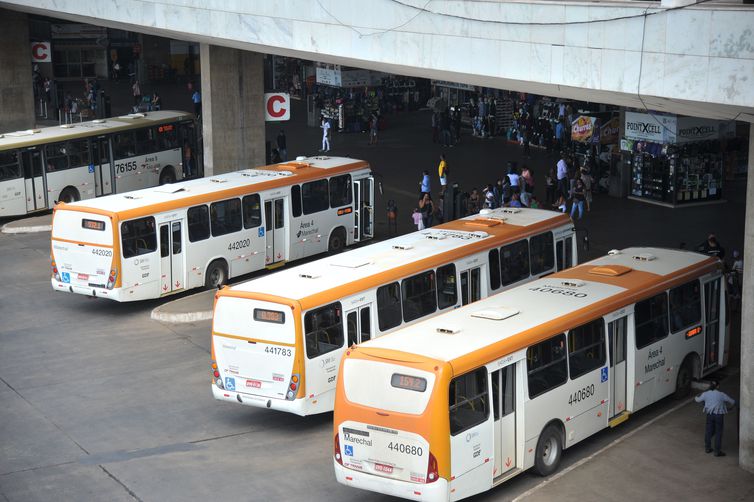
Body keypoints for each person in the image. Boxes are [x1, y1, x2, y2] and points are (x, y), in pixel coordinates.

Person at [694, 381, 736, 457]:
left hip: (710, 415)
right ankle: (717, 451)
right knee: (718, 433)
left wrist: (702, 397)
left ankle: (707, 448)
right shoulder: (722, 395)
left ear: (710, 386)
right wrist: (729, 408)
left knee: (708, 431)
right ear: (718, 386)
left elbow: (697, 399)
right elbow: (733, 402)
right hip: (719, 416)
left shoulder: (705, 394)